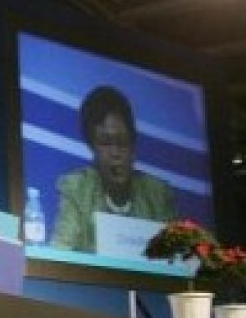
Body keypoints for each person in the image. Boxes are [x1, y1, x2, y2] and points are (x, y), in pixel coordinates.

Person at [49, 84, 176, 253]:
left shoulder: (158, 195)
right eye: (105, 143)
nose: (115, 153)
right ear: (92, 146)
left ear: (133, 144)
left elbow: (176, 259)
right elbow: (60, 251)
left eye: (122, 142)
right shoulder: (77, 189)